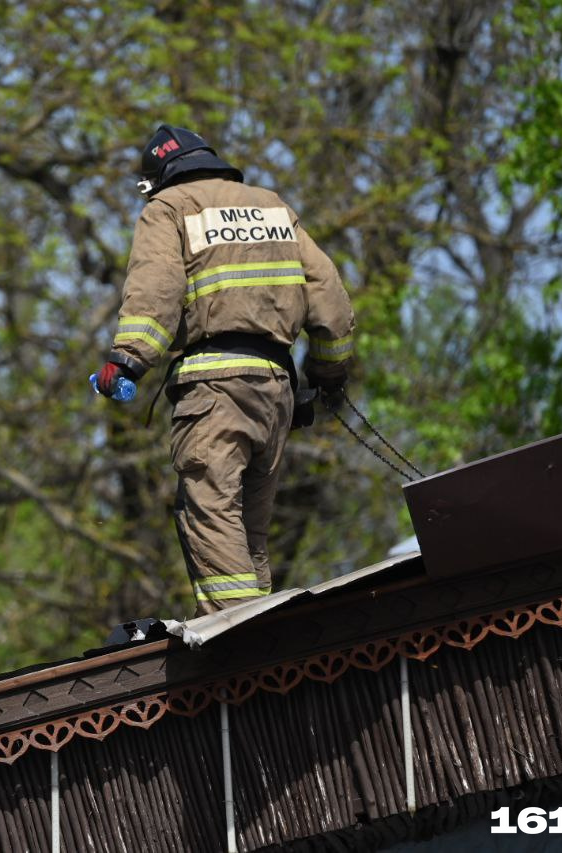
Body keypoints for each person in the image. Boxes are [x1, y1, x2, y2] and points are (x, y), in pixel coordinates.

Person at [93, 124, 355, 616]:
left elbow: (157, 290)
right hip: (276, 389)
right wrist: (328, 375)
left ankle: (240, 645)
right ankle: (263, 627)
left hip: (213, 388)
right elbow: (331, 302)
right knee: (248, 533)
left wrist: (127, 360)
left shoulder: (167, 209)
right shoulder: (272, 207)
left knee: (211, 514)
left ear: (157, 178)